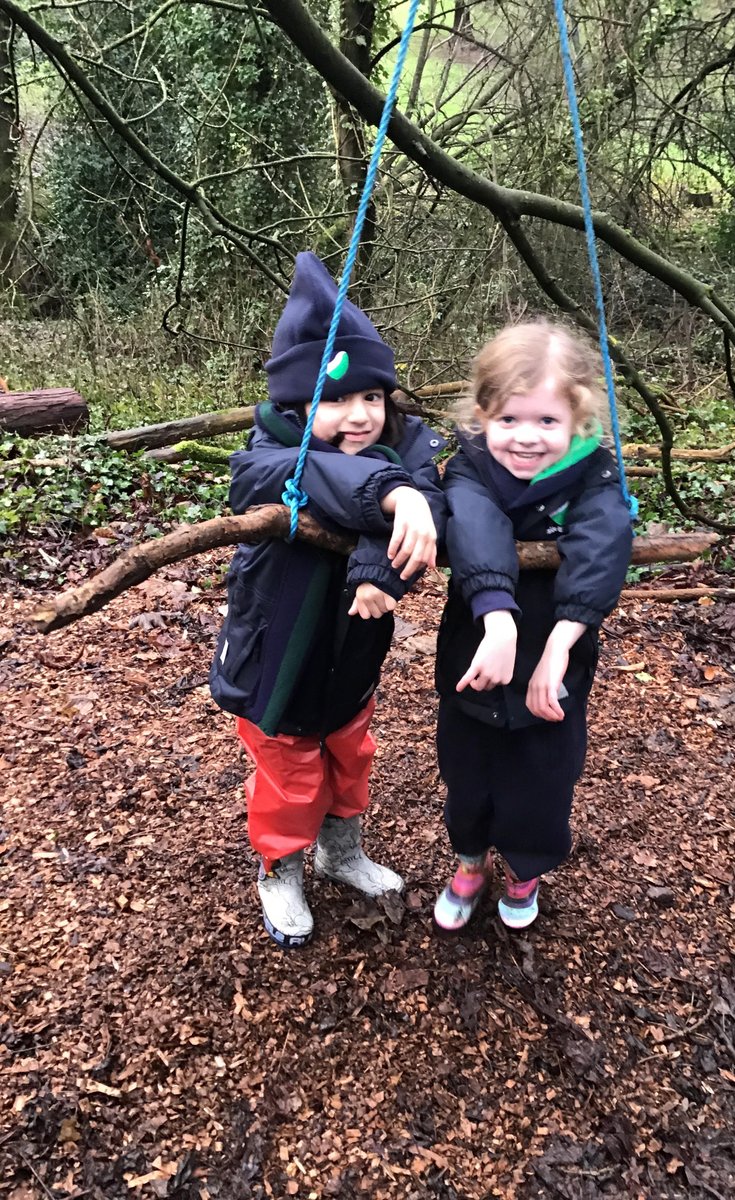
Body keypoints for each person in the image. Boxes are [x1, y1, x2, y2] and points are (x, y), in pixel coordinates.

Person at [210, 251, 446, 948]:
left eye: (371, 396)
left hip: (350, 659)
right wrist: (391, 493)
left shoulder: (410, 449)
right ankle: (279, 867)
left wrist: (385, 566)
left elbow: (426, 503)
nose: (360, 415)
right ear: (295, 403)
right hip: (275, 662)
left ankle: (340, 853)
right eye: (336, 399)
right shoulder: (267, 455)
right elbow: (323, 477)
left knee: (350, 756)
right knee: (290, 774)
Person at [432, 320, 633, 931]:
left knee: (544, 777)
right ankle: (469, 863)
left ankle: (524, 870)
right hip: (477, 649)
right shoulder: (468, 468)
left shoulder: (594, 473)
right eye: (510, 420)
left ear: (575, 420)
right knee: (466, 772)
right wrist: (497, 620)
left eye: (547, 422)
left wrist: (561, 646)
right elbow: (476, 524)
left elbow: (604, 542)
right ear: (483, 415)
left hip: (556, 658)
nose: (526, 438)